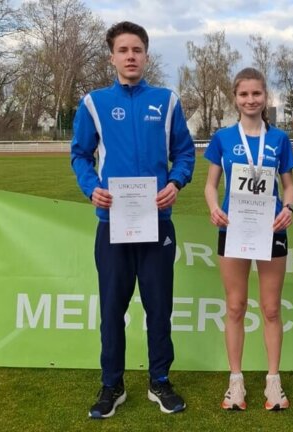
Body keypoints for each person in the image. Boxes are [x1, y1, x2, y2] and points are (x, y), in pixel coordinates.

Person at [71, 21, 195, 419]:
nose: (130, 56)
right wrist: (92, 188)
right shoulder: (93, 103)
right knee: (112, 309)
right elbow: (79, 155)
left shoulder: (167, 100)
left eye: (137, 50)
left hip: (157, 222)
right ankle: (112, 385)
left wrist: (176, 182)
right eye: (123, 50)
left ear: (146, 55)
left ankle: (160, 381)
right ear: (111, 57)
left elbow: (185, 153)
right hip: (113, 224)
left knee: (159, 307)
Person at [203, 67, 293, 411]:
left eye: (257, 93)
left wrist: (288, 208)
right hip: (233, 229)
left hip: (271, 229)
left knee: (271, 309)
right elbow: (211, 184)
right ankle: (236, 382)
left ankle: (274, 382)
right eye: (244, 94)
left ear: (265, 97)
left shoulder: (280, 139)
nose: (250, 99)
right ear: (235, 98)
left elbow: (288, 185)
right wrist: (214, 207)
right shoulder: (223, 138)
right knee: (235, 306)